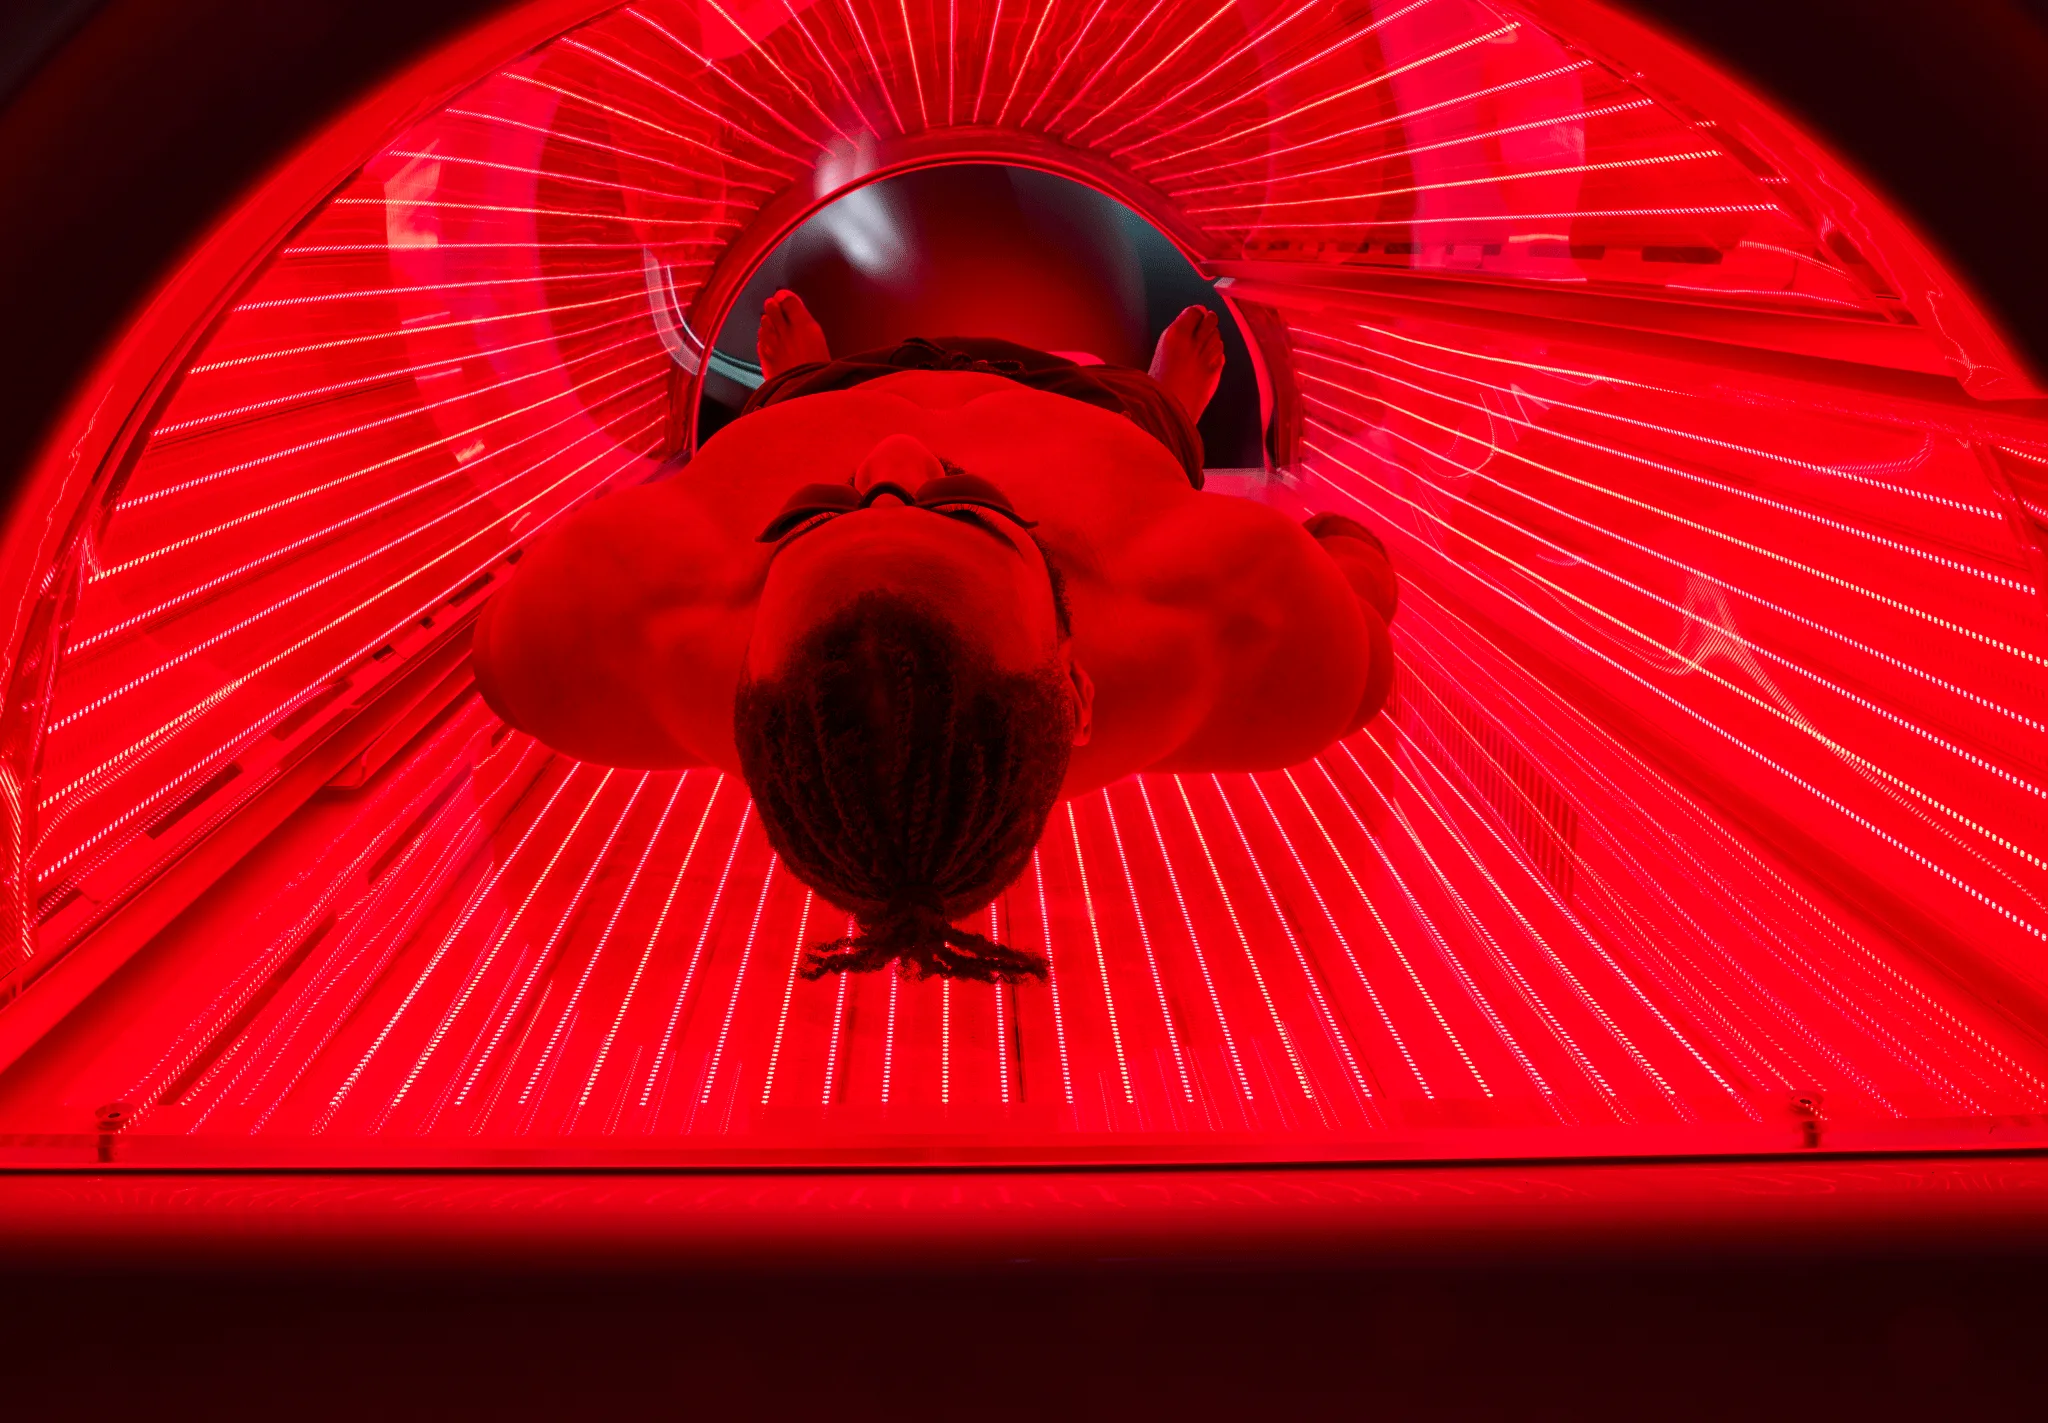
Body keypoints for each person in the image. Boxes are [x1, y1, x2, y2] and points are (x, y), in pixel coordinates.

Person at [472, 291, 1397, 984]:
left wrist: (797, 416)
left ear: (740, 667)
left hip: (818, 397)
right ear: (1077, 687)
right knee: (1149, 425)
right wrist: (1340, 546)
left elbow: (499, 647)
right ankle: (1168, 401)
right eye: (967, 505)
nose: (898, 450)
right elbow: (1363, 602)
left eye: (815, 513)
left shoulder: (632, 625)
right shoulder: (1204, 619)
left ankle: (796, 381)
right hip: (1091, 409)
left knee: (791, 406)